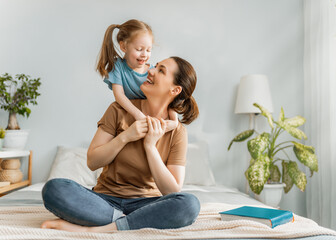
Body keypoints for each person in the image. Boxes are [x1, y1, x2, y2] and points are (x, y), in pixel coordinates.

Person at [41, 56, 200, 232]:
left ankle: (99, 229)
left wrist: (150, 146)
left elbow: (172, 191)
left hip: (147, 204)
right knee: (54, 189)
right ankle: (130, 222)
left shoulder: (177, 132)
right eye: (155, 66)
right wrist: (125, 136)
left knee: (190, 204)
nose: (150, 70)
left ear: (175, 90)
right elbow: (92, 162)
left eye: (161, 70)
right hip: (104, 200)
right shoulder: (118, 110)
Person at [96, 19, 178, 131]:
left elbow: (167, 97)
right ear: (124, 47)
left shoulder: (153, 71)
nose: (144, 54)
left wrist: (174, 121)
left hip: (151, 116)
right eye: (139, 49)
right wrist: (138, 115)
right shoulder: (118, 67)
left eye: (149, 50)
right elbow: (119, 95)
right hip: (132, 115)